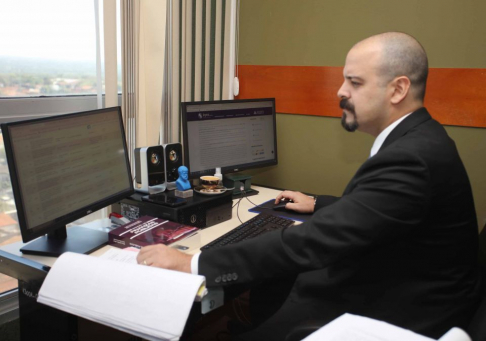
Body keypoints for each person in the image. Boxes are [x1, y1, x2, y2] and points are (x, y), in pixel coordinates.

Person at [137, 32, 481, 340]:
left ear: (398, 89)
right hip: (414, 287)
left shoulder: (411, 158)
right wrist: (319, 204)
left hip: (399, 312)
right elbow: (382, 210)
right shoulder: (422, 138)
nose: (340, 91)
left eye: (355, 82)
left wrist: (194, 264)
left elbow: (314, 243)